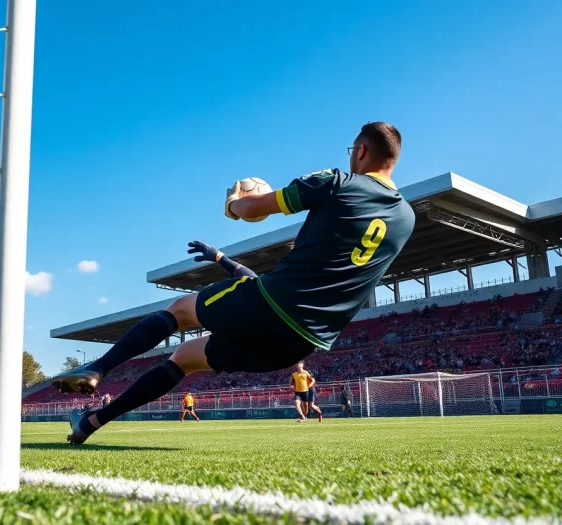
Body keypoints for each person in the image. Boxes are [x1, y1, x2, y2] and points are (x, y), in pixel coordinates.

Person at [52, 122, 415, 444]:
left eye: (353, 150)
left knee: (179, 310)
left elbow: (253, 209)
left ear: (361, 151)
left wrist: (235, 202)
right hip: (300, 343)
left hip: (271, 305)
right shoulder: (406, 218)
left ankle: (98, 367)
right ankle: (90, 422)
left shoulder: (338, 182)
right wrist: (223, 260)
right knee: (185, 357)